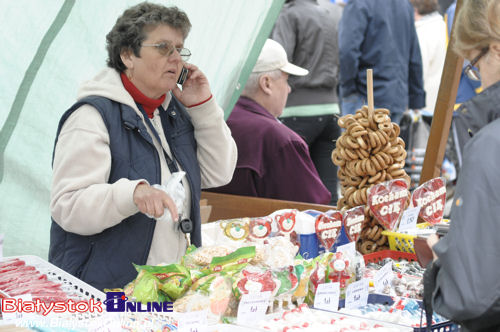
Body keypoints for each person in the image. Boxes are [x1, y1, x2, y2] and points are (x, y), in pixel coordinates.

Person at [49, 2, 237, 290]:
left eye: (180, 49)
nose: (176, 59)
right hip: (104, 293)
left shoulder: (176, 112)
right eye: (163, 48)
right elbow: (68, 206)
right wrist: (131, 194)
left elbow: (218, 173)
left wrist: (204, 106)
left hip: (167, 290)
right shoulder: (91, 116)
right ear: (127, 55)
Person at [423, 1, 500, 330]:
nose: (478, 79)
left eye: (474, 64)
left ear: (496, 50)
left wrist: (443, 265)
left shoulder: (490, 146)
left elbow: (468, 295)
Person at [211, 39, 331, 205]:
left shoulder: (211, 121)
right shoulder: (280, 140)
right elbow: (313, 208)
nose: (288, 89)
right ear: (266, 83)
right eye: (286, 80)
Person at [271, 0, 343, 205]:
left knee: (292, 188)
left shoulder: (289, 14)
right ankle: (333, 233)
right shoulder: (330, 14)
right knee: (329, 190)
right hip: (331, 109)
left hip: (297, 109)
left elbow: (280, 60)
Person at [338, 0, 426, 124]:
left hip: (365, 96)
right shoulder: (404, 5)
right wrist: (416, 97)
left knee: (355, 141)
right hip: (395, 96)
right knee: (389, 143)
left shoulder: (360, 3)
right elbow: (414, 55)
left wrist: (348, 89)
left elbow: (347, 50)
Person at [411, 0, 447, 114]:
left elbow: (418, 73)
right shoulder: (442, 26)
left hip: (425, 106)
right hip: (441, 101)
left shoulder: (422, 34)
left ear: (415, 11)